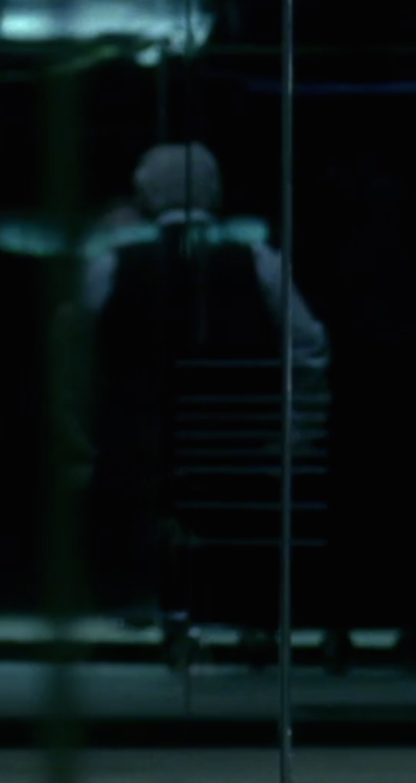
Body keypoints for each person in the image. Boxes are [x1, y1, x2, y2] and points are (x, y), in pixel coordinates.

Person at [77, 144, 332, 658]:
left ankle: (149, 603)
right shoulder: (259, 262)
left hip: (141, 458)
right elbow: (308, 349)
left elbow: (77, 355)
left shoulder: (110, 267)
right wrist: (294, 432)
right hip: (241, 459)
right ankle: (248, 614)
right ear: (215, 193)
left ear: (145, 196)